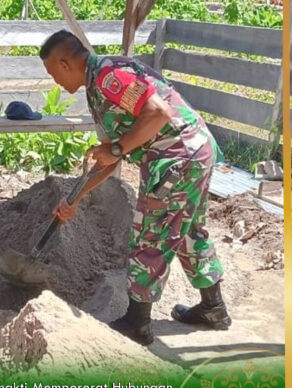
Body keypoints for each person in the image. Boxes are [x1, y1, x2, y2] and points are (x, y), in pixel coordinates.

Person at [40, 30, 231, 345]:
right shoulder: (96, 88)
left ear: (64, 63)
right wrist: (75, 198)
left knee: (150, 234)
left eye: (52, 73)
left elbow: (158, 112)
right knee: (187, 231)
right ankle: (214, 308)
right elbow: (108, 159)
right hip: (194, 151)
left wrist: (115, 150)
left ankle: (137, 323)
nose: (55, 82)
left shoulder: (107, 77)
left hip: (177, 156)